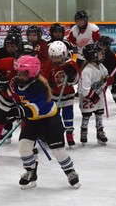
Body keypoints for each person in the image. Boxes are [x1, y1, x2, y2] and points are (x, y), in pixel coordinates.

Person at [6, 55, 80, 189]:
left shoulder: (39, 87)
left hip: (50, 120)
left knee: (57, 150)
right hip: (33, 121)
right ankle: (30, 172)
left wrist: (20, 112)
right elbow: (21, 99)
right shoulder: (19, 83)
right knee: (23, 145)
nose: (19, 76)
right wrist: (16, 109)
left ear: (32, 73)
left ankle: (70, 172)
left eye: (23, 73)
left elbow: (35, 108)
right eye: (18, 73)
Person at [0, 42, 35, 153]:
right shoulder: (7, 62)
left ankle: (28, 142)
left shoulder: (35, 67)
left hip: (24, 100)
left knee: (27, 122)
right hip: (4, 98)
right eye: (22, 55)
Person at [46, 41, 80, 146]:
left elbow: (77, 80)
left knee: (68, 115)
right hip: (54, 96)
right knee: (55, 117)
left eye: (58, 57)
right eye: (53, 57)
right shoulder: (49, 64)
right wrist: (48, 84)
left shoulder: (70, 64)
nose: (55, 60)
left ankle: (69, 134)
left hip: (68, 95)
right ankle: (56, 134)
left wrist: (72, 76)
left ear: (64, 54)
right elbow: (43, 77)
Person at [78, 43, 113, 145]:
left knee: (99, 115)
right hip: (87, 98)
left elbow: (105, 75)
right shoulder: (87, 71)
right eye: (99, 53)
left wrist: (108, 79)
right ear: (92, 55)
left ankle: (100, 132)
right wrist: (92, 96)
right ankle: (84, 131)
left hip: (99, 95)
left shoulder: (100, 66)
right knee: (86, 115)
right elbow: (84, 89)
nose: (102, 54)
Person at [97, 35, 116, 113]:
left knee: (115, 90)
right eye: (102, 45)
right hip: (102, 76)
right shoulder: (97, 54)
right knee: (101, 91)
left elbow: (112, 67)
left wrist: (109, 77)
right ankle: (99, 105)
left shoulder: (111, 54)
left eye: (105, 45)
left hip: (113, 74)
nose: (103, 47)